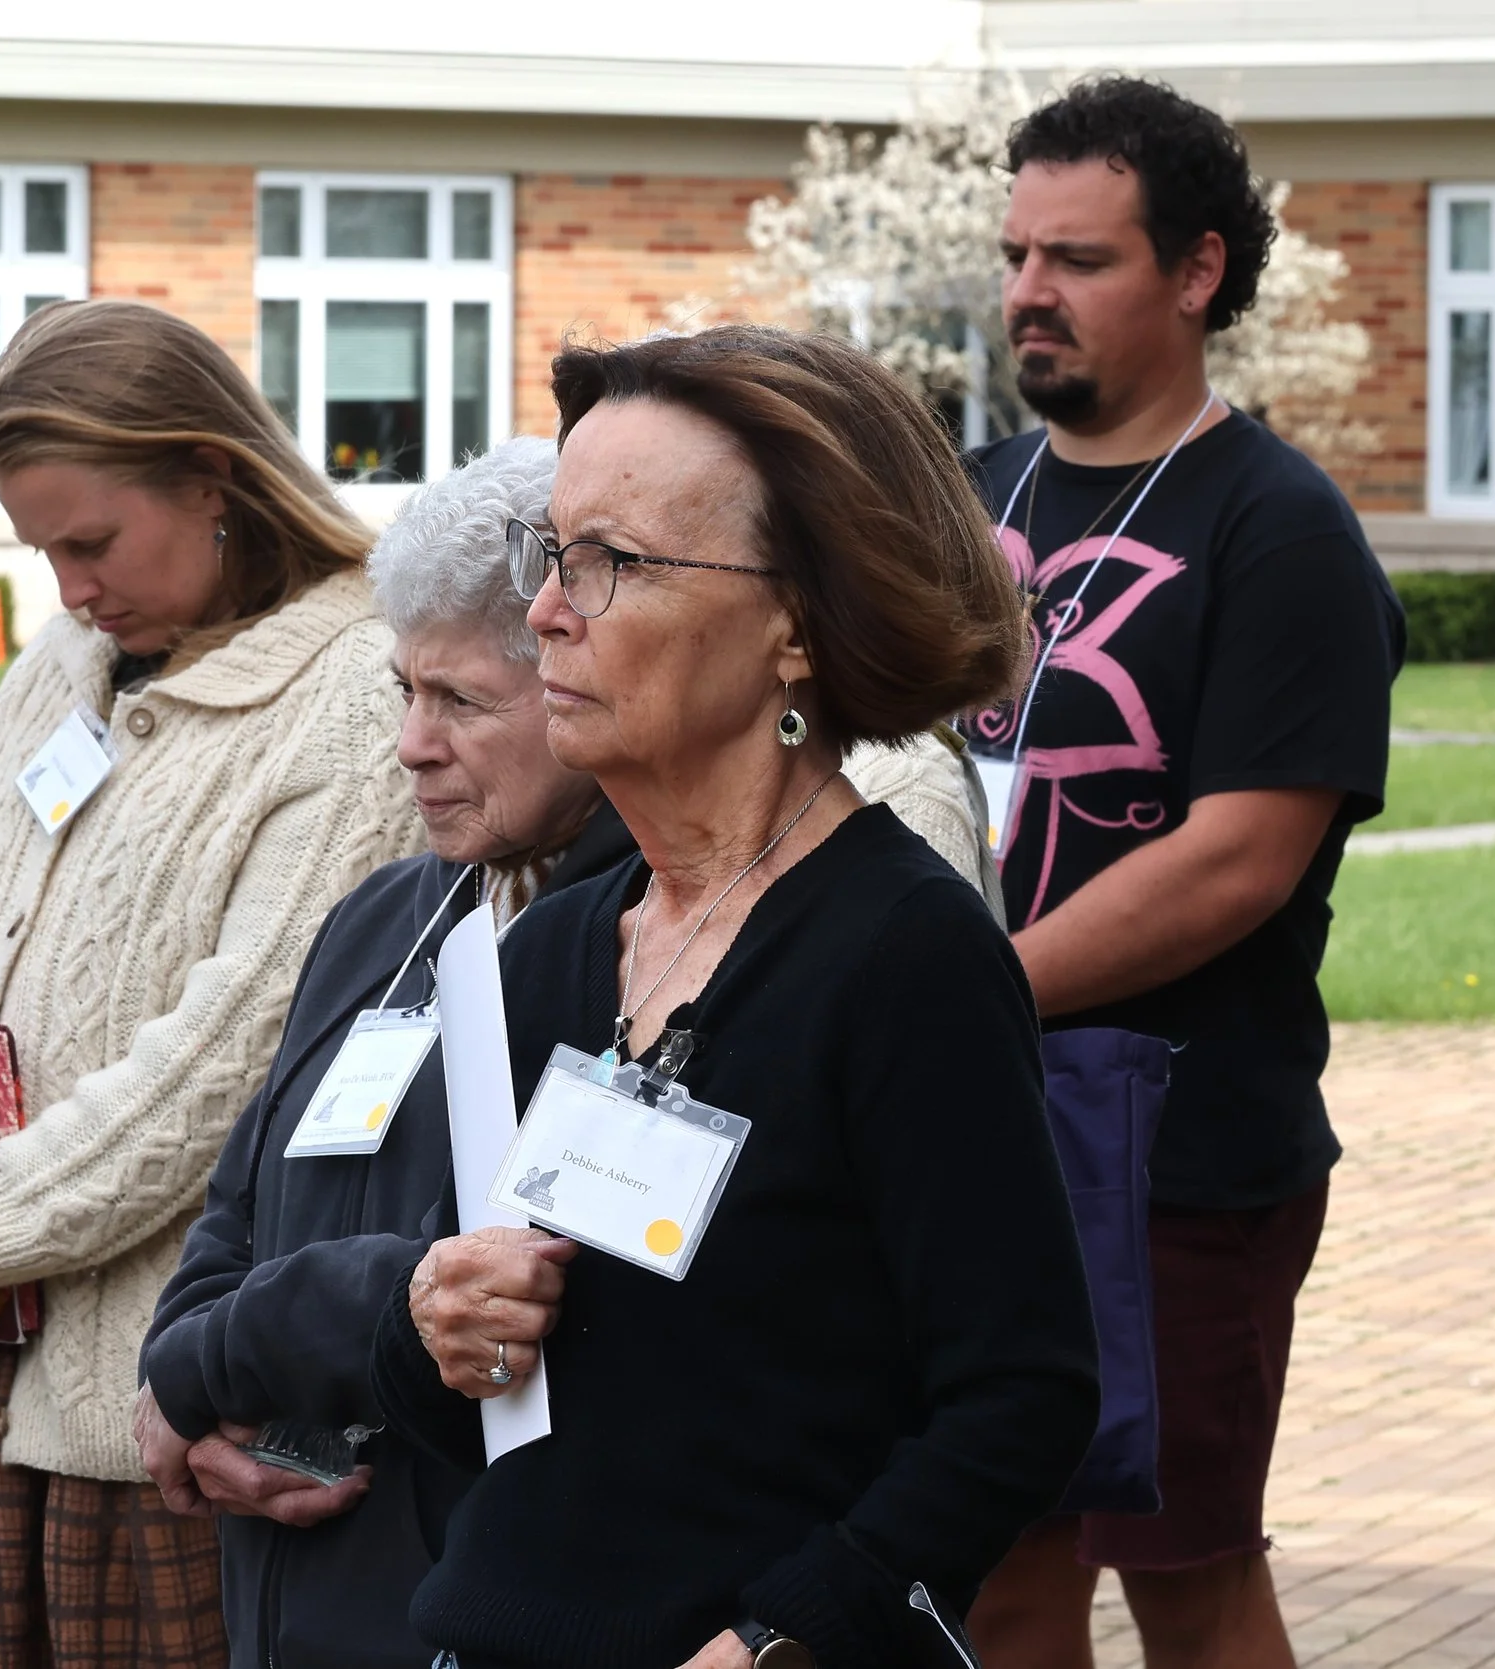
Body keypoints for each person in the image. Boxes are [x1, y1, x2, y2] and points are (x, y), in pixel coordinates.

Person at [367, 326, 1102, 1669]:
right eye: (550, 553)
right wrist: (435, 1323)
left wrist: (784, 1636)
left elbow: (1022, 1398)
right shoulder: (548, 951)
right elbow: (475, 1409)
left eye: (612, 562)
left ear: (795, 627)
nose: (546, 612)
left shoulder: (905, 957)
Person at [0, 297, 425, 1669]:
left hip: (163, 1422)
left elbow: (230, 1060)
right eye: (43, 552)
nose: (71, 588)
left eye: (91, 543)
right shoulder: (63, 665)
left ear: (212, 478)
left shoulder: (357, 690)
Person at [958, 78, 1404, 1669]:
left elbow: (1237, 863)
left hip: (1174, 1149)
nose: (1030, 292)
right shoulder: (967, 498)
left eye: (1079, 259)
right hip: (969, 1123)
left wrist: (967, 989)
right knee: (997, 1569)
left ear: (1199, 270)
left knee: (1186, 1581)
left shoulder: (1282, 532)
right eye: (1017, 255)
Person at [136, 435, 631, 1669]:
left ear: (581, 679)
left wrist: (210, 1362)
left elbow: (498, 1284)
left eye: (458, 700)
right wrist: (193, 1400)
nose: (411, 742)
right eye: (402, 691)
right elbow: (237, 1213)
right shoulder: (388, 914)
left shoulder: (648, 943)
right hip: (293, 1603)